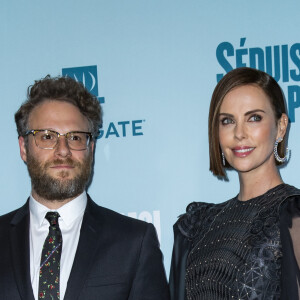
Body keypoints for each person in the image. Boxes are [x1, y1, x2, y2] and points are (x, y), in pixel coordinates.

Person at [0, 76, 169, 300]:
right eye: (48, 136)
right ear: (23, 147)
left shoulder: (134, 242)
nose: (63, 150)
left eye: (76, 138)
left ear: (91, 148)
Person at [169, 67, 300, 300]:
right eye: (228, 121)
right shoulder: (197, 225)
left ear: (281, 127)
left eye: (254, 118)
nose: (239, 133)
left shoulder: (294, 216)